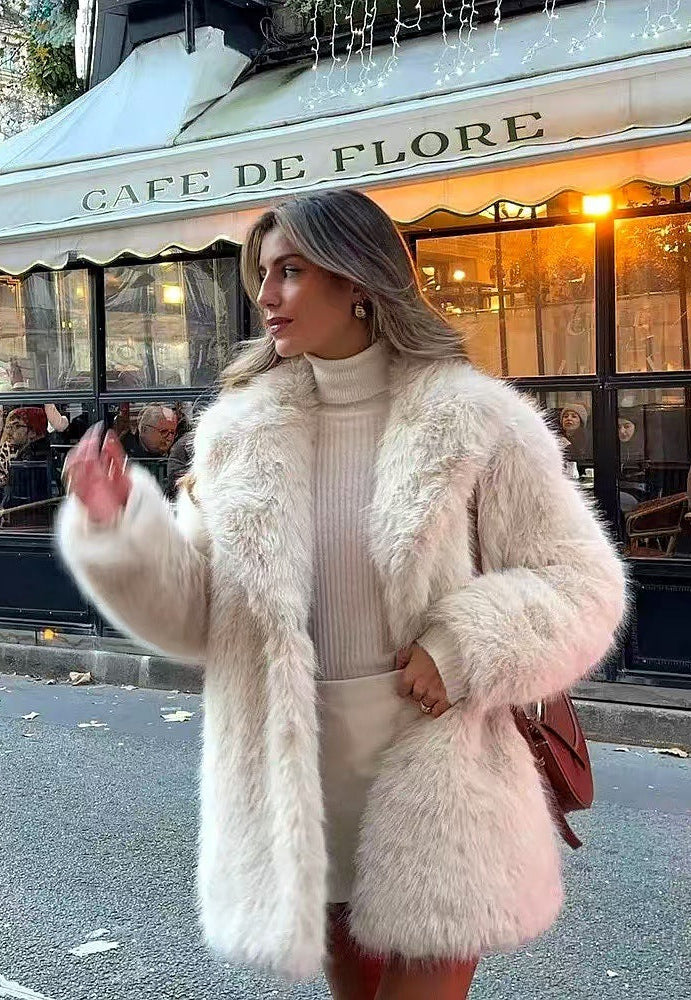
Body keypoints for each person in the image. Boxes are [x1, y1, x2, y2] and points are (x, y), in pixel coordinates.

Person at [56, 190, 626, 999]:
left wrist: (461, 647)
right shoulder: (238, 437)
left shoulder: (476, 421)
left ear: (356, 278)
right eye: (262, 274)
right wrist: (120, 528)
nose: (266, 295)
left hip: (436, 770)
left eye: (290, 271)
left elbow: (579, 582)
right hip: (301, 774)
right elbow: (199, 617)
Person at [559, 401, 591, 478]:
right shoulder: (557, 438)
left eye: (574, 416)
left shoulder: (588, 440)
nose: (569, 419)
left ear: (581, 421)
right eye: (565, 416)